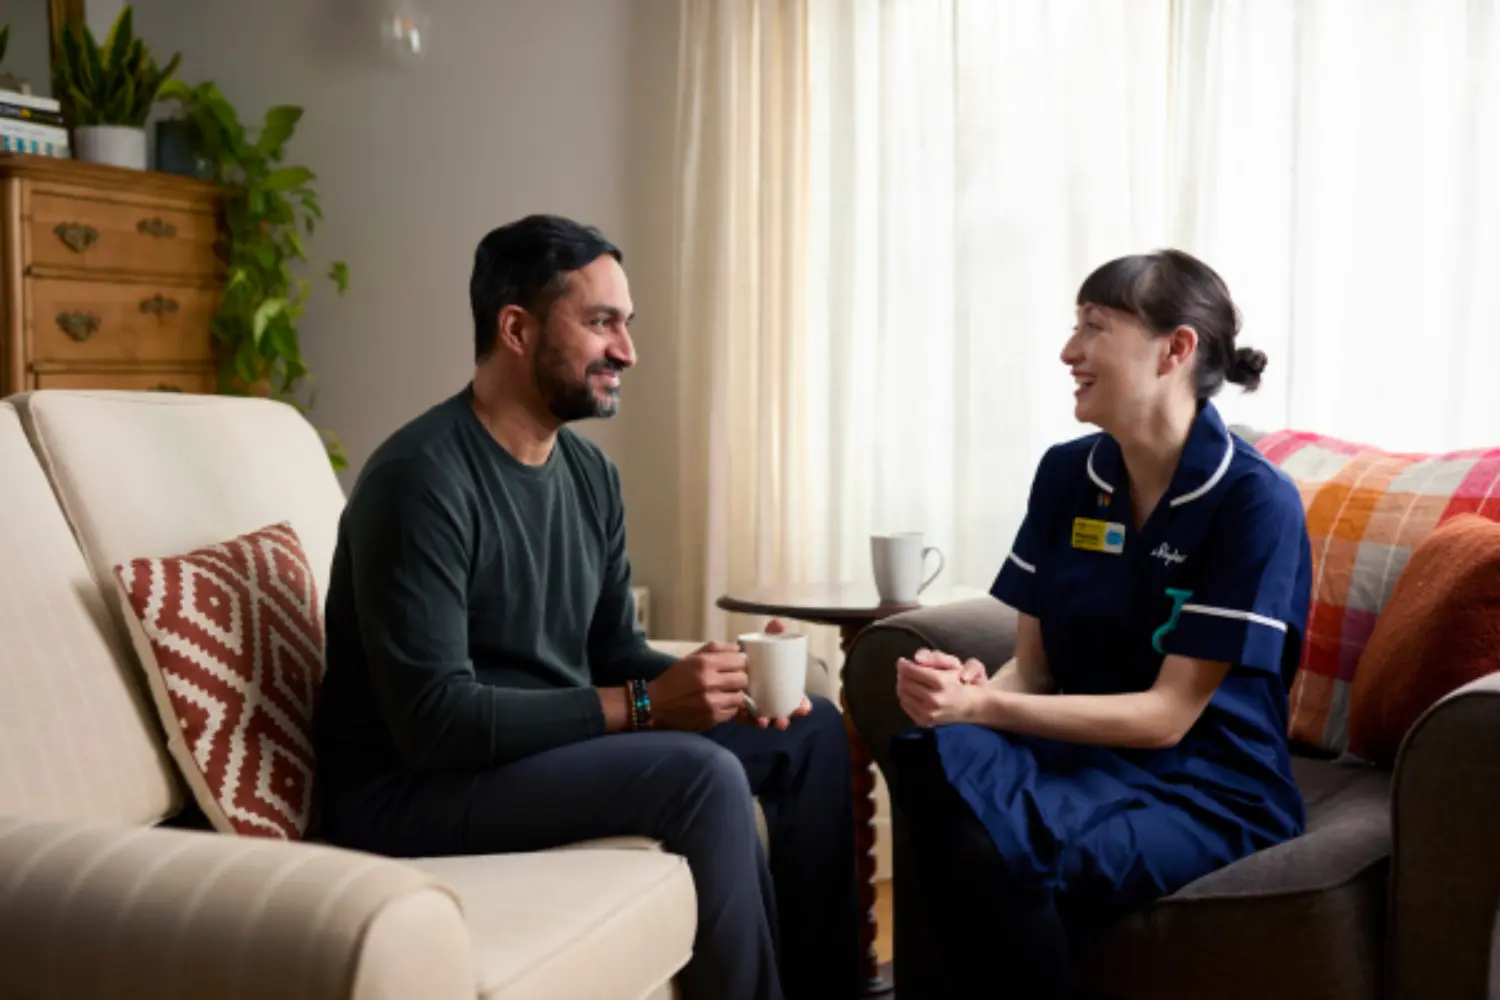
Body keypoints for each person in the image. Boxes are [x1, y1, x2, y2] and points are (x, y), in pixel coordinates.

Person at [312, 214, 861, 1000]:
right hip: (411, 789)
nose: (627, 351)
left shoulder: (589, 476)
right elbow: (435, 721)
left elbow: (614, 651)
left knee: (809, 729)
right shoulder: (419, 480)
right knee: (700, 777)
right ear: (517, 329)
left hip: (533, 754)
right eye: (602, 323)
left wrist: (721, 678)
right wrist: (647, 705)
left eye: (625, 325)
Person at [886, 249, 1312, 999]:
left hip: (1203, 785)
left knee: (987, 842)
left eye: (1094, 327)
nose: (1068, 351)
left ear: (1175, 350)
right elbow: (1035, 671)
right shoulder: (1066, 475)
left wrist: (986, 708)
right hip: (1077, 761)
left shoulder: (1255, 503)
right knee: (928, 754)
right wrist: (972, 687)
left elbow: (1168, 717)